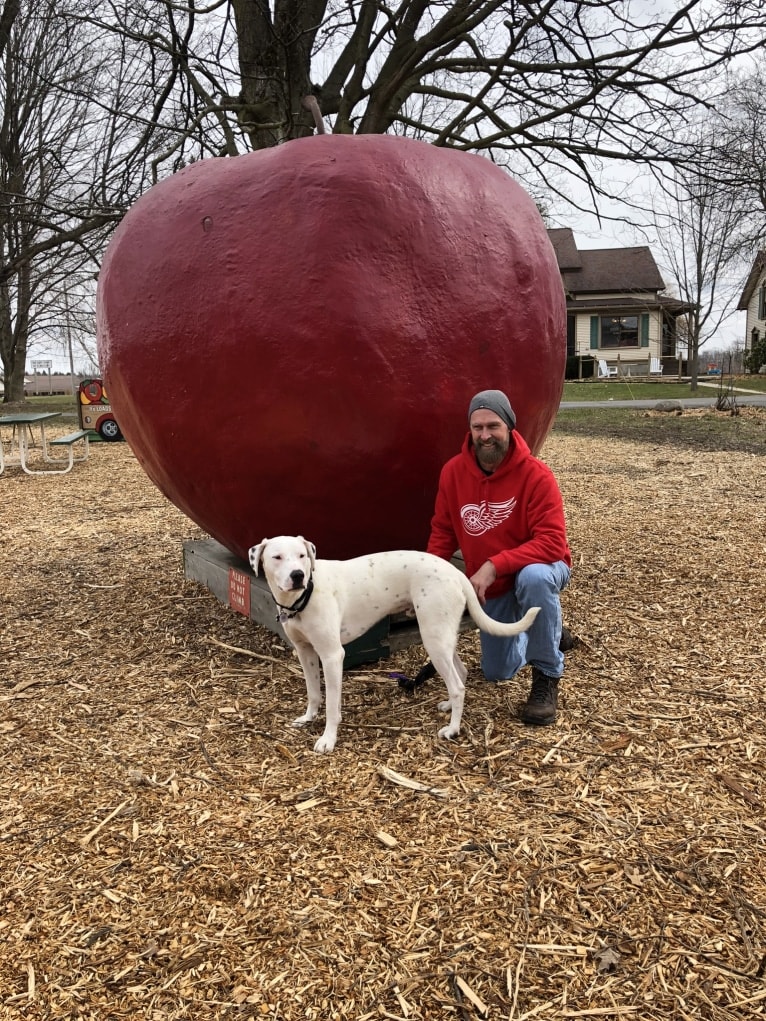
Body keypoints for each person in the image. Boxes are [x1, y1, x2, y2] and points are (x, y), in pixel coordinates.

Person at [427, 389, 572, 725]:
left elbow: (552, 543)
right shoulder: (453, 472)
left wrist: (494, 565)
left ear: (509, 427)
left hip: (543, 568)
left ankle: (547, 675)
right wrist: (428, 580)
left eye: (493, 425)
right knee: (497, 672)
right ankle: (549, 631)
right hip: (495, 587)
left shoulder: (537, 476)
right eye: (477, 427)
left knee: (533, 578)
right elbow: (443, 531)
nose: (485, 435)